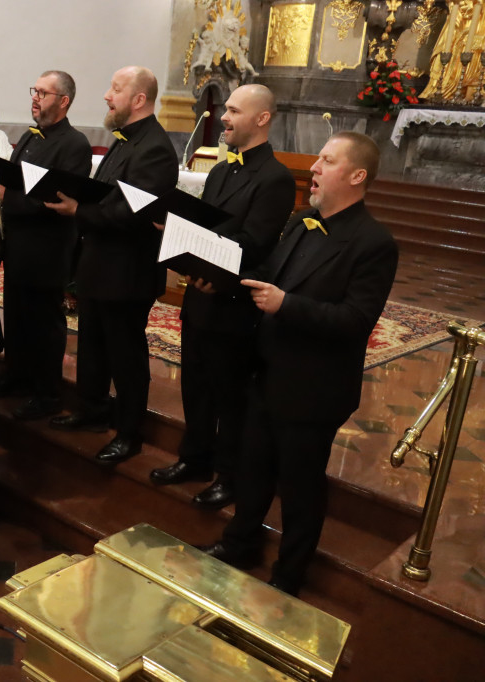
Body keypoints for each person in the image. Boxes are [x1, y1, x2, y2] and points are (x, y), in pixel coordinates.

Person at [200, 132, 398, 596]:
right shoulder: (300, 220)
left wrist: (286, 304)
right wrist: (223, 282)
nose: (314, 168)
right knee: (252, 468)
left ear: (356, 175)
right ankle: (240, 543)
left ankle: (290, 573)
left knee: (300, 487)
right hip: (267, 371)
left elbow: (355, 320)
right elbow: (265, 279)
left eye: (327, 161)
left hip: (314, 386)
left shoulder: (374, 243)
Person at [150, 84, 296, 509]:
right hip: (201, 297)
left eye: (233, 110)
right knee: (194, 385)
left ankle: (228, 475)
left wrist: (202, 255)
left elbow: (255, 245)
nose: (224, 117)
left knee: (229, 396)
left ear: (262, 118)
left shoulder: (275, 178)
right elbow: (208, 227)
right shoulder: (218, 171)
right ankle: (193, 457)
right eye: (226, 109)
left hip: (232, 303)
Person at [47, 66, 178, 464]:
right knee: (92, 344)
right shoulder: (123, 142)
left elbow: (132, 214)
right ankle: (91, 410)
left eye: (115, 89)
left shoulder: (154, 147)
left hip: (128, 270)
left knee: (125, 354)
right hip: (99, 263)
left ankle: (130, 432)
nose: (107, 95)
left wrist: (77, 211)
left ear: (139, 99)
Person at [0, 70, 92, 421]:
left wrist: (9, 198)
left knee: (44, 322)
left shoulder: (75, 144)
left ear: (63, 100)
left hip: (48, 246)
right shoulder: (28, 135)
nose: (35, 98)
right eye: (34, 91)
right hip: (19, 241)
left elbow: (56, 201)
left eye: (43, 93)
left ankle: (47, 393)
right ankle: (17, 375)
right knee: (17, 314)